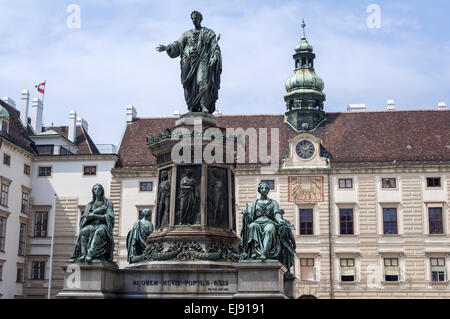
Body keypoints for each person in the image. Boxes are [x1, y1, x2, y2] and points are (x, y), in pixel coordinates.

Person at [156, 11, 222, 114]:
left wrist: (214, 57)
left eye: (195, 18)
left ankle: (204, 105)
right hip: (188, 62)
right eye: (192, 18)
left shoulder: (209, 33)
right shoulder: (186, 34)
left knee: (202, 81)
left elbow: (215, 48)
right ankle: (191, 106)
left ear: (200, 19)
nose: (194, 20)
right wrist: (167, 47)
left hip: (202, 61)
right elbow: (177, 44)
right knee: (187, 85)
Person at [241, 182, 296, 271]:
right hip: (257, 222)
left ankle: (264, 253)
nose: (264, 190)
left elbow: (277, 215)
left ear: (268, 190)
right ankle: (255, 252)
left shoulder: (273, 203)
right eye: (262, 188)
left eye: (266, 188)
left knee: (270, 230)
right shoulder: (254, 203)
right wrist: (246, 215)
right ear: (259, 190)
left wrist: (280, 220)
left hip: (269, 222)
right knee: (252, 226)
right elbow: (250, 216)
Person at [68, 184, 115, 263]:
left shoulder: (108, 203)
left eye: (99, 188)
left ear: (102, 190)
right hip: (91, 225)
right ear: (93, 191)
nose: (97, 190)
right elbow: (84, 217)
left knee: (99, 231)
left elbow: (110, 217)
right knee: (84, 231)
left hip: (102, 225)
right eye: (95, 189)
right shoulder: (90, 204)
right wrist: (87, 217)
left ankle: (90, 253)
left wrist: (94, 215)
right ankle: (83, 254)